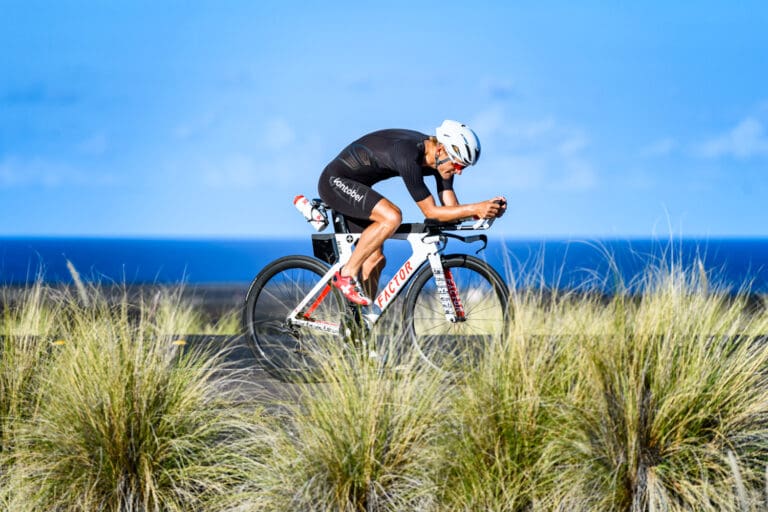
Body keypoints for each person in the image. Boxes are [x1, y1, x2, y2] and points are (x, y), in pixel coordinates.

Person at [318, 120, 506, 306]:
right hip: (335, 182)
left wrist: (484, 212)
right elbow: (432, 213)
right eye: (458, 165)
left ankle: (360, 325)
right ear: (441, 150)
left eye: (463, 168)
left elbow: (450, 209)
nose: (459, 173)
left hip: (358, 187)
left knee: (375, 259)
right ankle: (346, 274)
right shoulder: (408, 154)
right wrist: (475, 208)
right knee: (392, 217)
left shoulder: (440, 163)